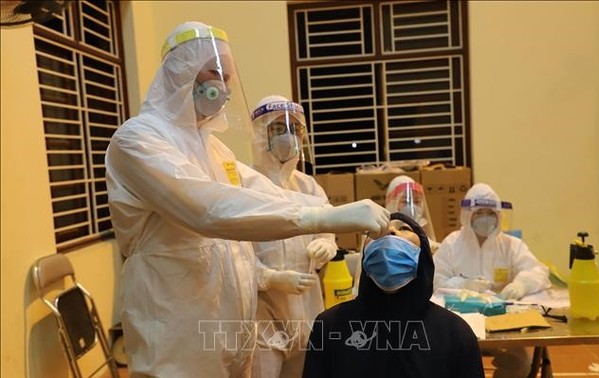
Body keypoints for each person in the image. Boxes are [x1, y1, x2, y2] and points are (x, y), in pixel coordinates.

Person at [105, 21, 390, 378]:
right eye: (213, 72)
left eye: (227, 77)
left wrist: (330, 213)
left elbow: (259, 190)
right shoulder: (138, 141)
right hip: (175, 330)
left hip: (228, 331)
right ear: (181, 71)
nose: (222, 86)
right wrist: (321, 219)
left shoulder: (213, 147)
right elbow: (209, 208)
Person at [302, 212, 484, 378]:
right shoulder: (330, 326)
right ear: (364, 256)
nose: (389, 230)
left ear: (424, 255)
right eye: (377, 230)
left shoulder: (454, 333)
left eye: (404, 228)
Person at [249, 95, 338, 378]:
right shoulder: (244, 184)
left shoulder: (308, 186)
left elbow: (328, 226)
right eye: (278, 129)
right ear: (261, 133)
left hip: (307, 308)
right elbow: (232, 255)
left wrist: (327, 243)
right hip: (262, 314)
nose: (288, 136)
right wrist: (271, 278)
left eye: (295, 129)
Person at [433, 182, 551, 378]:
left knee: (520, 364)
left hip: (503, 322)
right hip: (459, 323)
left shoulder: (510, 245)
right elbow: (435, 279)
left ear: (499, 215)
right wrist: (462, 285)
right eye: (479, 213)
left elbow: (538, 271)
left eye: (490, 213)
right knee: (447, 364)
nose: (485, 218)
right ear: (467, 215)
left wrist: (520, 284)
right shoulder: (452, 244)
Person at [385, 175, 439, 253]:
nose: (412, 206)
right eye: (405, 202)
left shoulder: (433, 246)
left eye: (417, 202)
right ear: (392, 203)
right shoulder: (383, 239)